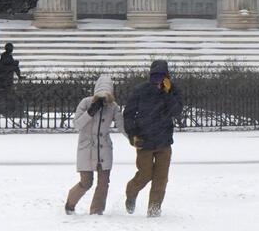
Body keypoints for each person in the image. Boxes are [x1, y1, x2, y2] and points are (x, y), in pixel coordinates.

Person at [123, 60, 183, 218]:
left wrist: (167, 93)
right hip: (144, 141)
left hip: (164, 142)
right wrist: (132, 135)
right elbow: (128, 114)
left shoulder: (172, 90)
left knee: (161, 179)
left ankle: (154, 210)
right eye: (155, 77)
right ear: (150, 76)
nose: (158, 80)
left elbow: (176, 110)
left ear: (167, 77)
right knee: (144, 175)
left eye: (161, 77)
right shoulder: (140, 90)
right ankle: (131, 193)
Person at [65, 74, 124, 215]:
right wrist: (90, 112)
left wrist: (134, 140)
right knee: (86, 182)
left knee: (103, 183)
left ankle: (96, 211)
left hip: (104, 149)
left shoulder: (113, 107)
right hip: (86, 148)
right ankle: (70, 204)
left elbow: (122, 126)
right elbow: (77, 125)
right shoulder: (86, 103)